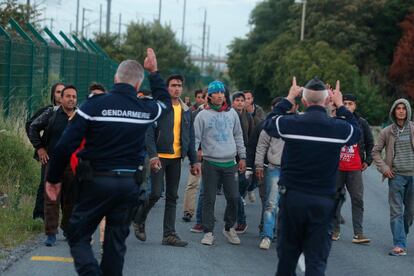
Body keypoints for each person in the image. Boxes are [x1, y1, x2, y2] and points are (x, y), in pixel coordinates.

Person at [44, 49, 172, 275]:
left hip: (96, 182)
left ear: (115, 78)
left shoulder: (94, 105)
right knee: (115, 245)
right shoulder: (145, 109)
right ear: (137, 84)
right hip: (128, 187)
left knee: (77, 233)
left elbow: (65, 145)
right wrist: (155, 72)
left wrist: (53, 179)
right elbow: (165, 103)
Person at [264, 77, 360, 275]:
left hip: (293, 201)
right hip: (323, 202)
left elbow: (269, 123)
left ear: (304, 102)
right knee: (316, 262)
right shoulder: (338, 129)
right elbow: (356, 131)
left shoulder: (291, 123)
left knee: (287, 261)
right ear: (327, 101)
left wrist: (289, 98)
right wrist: (341, 105)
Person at [133, 74, 200, 247]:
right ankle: (139, 218)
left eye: (179, 85)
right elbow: (148, 132)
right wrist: (153, 155)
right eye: (173, 85)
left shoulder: (186, 110)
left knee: (172, 197)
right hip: (159, 157)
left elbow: (190, 137)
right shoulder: (159, 107)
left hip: (176, 158)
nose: (176, 88)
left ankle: (169, 234)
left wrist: (194, 161)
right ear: (167, 87)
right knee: (155, 193)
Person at [194, 80, 246, 246]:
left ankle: (229, 227)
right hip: (210, 163)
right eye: (216, 93)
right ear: (209, 96)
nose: (220, 95)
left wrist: (242, 157)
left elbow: (238, 135)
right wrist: (194, 160)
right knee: (209, 199)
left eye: (222, 93)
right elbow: (195, 138)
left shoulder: (232, 114)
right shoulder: (202, 115)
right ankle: (208, 232)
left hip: (230, 163)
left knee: (234, 197)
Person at [28, 85, 77, 246]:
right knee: (51, 199)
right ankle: (50, 233)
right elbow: (33, 127)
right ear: (61, 99)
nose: (71, 99)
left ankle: (67, 227)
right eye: (67, 96)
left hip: (73, 164)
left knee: (71, 200)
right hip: (53, 162)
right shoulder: (52, 113)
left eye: (74, 97)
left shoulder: (81, 116)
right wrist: (40, 148)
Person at [372, 98, 414, 256]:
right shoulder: (387, 131)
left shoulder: (413, 129)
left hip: (413, 176)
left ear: (408, 111)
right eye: (398, 108)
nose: (401, 110)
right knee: (396, 211)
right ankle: (399, 244)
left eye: (404, 108)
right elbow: (375, 151)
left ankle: (401, 234)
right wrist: (384, 168)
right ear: (394, 111)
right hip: (395, 176)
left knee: (409, 213)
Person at [332, 94, 374, 244]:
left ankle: (358, 233)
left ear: (355, 106)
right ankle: (334, 230)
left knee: (357, 199)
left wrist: (368, 161)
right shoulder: (335, 121)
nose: (348, 106)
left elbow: (370, 143)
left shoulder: (361, 123)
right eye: (345, 103)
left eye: (350, 104)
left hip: (355, 167)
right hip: (337, 167)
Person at [26, 82, 64, 220]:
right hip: (49, 155)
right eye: (58, 92)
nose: (61, 95)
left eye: (63, 92)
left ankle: (66, 221)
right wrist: (40, 148)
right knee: (45, 184)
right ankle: (39, 216)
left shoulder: (73, 112)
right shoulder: (49, 111)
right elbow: (30, 125)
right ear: (53, 95)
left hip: (66, 157)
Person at [231, 92, 253, 234]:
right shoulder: (229, 115)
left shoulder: (249, 117)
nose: (240, 103)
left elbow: (250, 137)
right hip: (229, 156)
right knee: (232, 191)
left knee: (239, 190)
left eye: (242, 100)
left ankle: (241, 221)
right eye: (237, 100)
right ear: (232, 102)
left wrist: (247, 158)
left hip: (243, 157)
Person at [243, 90, 265, 203]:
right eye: (244, 98)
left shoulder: (258, 110)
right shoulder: (239, 111)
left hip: (257, 146)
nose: (246, 101)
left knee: (256, 178)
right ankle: (242, 195)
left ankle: (251, 189)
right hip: (244, 146)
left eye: (248, 98)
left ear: (252, 99)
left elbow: (262, 125)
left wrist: (252, 114)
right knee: (245, 174)